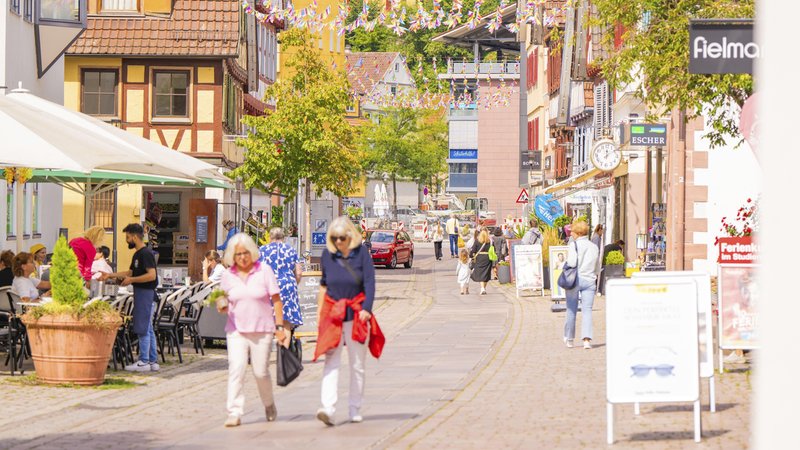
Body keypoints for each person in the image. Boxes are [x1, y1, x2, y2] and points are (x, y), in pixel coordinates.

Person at [313, 216, 383, 426]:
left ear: (350, 236)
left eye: (342, 238)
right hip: (334, 314)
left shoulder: (361, 254)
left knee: (357, 364)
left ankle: (354, 408)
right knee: (331, 360)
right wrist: (319, 314)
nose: (338, 242)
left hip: (356, 313)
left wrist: (367, 309)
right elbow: (324, 285)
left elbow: (369, 282)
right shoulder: (328, 255)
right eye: (334, 238)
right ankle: (328, 408)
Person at [218, 233, 289, 427]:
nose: (242, 257)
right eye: (238, 254)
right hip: (236, 329)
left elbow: (276, 301)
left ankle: (268, 404)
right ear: (232, 255)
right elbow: (221, 297)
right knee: (237, 368)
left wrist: (280, 327)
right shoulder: (227, 275)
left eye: (245, 253)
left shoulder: (264, 271)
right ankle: (234, 411)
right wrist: (221, 305)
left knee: (260, 372)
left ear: (252, 252)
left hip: (262, 329)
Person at [100, 224, 160, 372]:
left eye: (127, 237)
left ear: (134, 237)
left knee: (142, 328)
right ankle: (152, 361)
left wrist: (131, 281)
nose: (127, 241)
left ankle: (144, 361)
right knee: (148, 328)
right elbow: (130, 272)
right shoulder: (137, 254)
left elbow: (151, 275)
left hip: (145, 294)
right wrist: (111, 275)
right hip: (142, 293)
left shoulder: (145, 254)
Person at [563, 220, 600, 350]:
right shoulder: (594, 246)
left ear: (577, 233)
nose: (571, 233)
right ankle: (586, 340)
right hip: (590, 280)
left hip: (575, 280)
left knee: (571, 309)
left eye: (572, 231)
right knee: (587, 310)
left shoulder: (574, 245)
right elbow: (597, 266)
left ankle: (569, 338)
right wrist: (593, 274)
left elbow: (572, 263)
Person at [258, 228, 303, 329]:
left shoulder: (262, 250)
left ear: (270, 237)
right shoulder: (291, 250)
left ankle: (271, 342)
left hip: (268, 286)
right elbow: (299, 273)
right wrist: (294, 283)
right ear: (284, 238)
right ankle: (284, 345)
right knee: (286, 321)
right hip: (288, 285)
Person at [470, 230, 493, 296]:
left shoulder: (477, 241)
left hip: (479, 258)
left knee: (480, 273)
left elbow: (473, 250)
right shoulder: (490, 241)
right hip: (488, 258)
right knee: (486, 273)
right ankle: (483, 288)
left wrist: (471, 256)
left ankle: (482, 288)